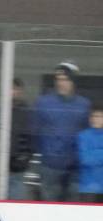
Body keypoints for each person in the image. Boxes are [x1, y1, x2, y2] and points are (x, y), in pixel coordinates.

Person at [33, 60, 90, 202]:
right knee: (50, 205)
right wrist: (45, 153)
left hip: (74, 166)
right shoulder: (43, 102)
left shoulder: (84, 104)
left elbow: (87, 134)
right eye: (58, 79)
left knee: (73, 206)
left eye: (65, 79)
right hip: (50, 165)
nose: (61, 83)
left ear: (73, 82)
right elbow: (35, 131)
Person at [77, 104, 103, 203]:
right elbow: (85, 159)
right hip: (88, 187)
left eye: (100, 116)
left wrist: (94, 152)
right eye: (93, 116)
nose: (96, 119)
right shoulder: (83, 136)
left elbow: (90, 157)